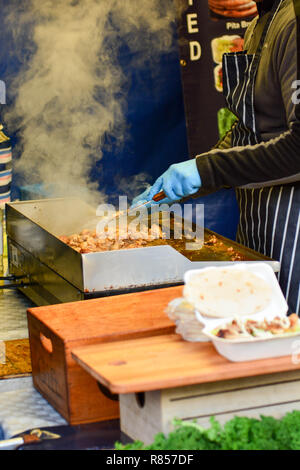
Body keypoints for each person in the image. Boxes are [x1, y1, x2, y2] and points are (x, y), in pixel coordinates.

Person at [132, 0, 300, 314]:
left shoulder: (293, 22)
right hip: (257, 224)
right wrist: (192, 178)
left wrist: (206, 170)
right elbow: (250, 128)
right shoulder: (260, 24)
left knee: (286, 339)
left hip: (294, 233)